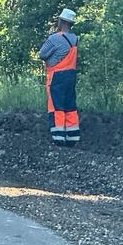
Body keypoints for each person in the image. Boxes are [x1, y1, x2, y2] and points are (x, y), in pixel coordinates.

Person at [39, 8, 79, 146]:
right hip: (71, 76)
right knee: (70, 107)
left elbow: (42, 54)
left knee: (57, 107)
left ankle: (58, 138)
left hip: (57, 76)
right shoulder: (75, 39)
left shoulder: (55, 38)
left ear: (61, 21)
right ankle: (72, 138)